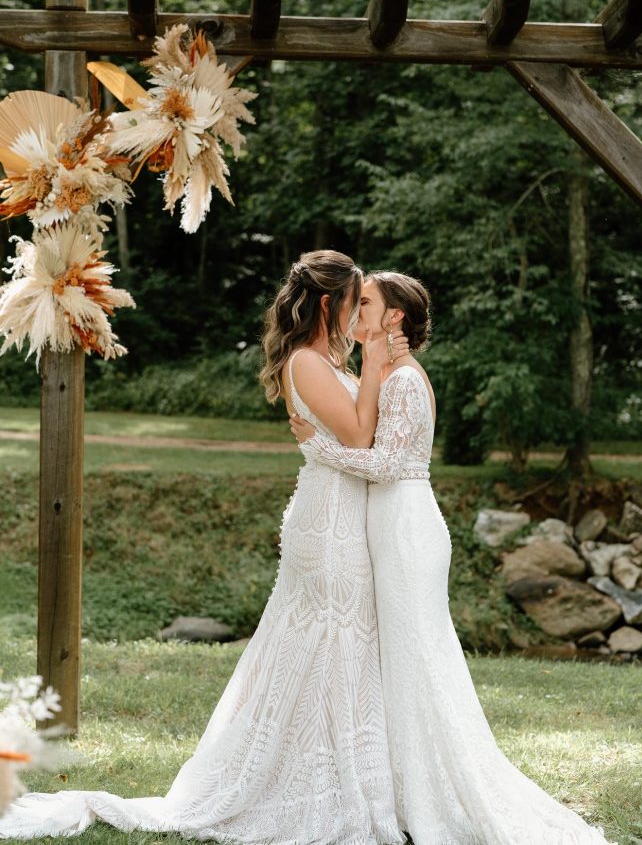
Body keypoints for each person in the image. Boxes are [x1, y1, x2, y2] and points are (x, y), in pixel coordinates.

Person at [0, 251, 409, 844]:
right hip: (327, 526)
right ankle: (310, 782)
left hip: (344, 514)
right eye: (353, 302)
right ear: (329, 304)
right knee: (328, 638)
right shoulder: (306, 362)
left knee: (339, 644)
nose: (357, 315)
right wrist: (374, 362)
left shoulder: (326, 360)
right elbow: (358, 434)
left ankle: (351, 773)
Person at [290, 270, 613, 845]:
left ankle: (442, 796)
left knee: (420, 661)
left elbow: (387, 464)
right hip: (391, 527)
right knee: (404, 664)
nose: (354, 310)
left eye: (365, 303)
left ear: (394, 318)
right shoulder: (387, 372)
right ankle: (409, 790)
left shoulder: (407, 381)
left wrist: (318, 448)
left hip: (408, 530)